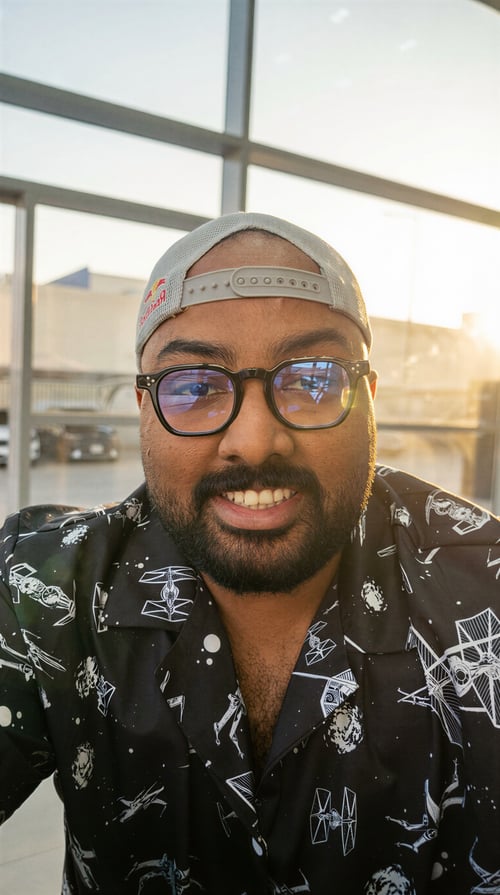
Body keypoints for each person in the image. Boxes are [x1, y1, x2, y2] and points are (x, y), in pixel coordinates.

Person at [0, 211, 499, 895]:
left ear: (370, 401)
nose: (256, 441)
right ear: (144, 408)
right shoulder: (47, 589)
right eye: (195, 387)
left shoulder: (483, 590)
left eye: (313, 379)